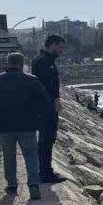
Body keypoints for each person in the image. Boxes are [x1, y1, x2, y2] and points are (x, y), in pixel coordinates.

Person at [0, 52, 54, 201]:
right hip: (28, 125)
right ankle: (33, 184)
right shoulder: (32, 80)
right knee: (31, 156)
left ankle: (12, 185)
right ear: (22, 64)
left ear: (8, 63)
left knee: (9, 156)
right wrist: (43, 121)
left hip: (5, 126)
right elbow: (45, 103)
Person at [32, 34, 66, 184]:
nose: (62, 51)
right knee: (46, 140)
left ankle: (46, 170)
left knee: (48, 140)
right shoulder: (43, 61)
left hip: (47, 106)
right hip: (46, 108)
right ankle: (45, 173)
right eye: (60, 47)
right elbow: (44, 87)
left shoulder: (45, 60)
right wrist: (52, 103)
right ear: (52, 45)